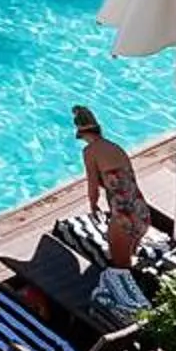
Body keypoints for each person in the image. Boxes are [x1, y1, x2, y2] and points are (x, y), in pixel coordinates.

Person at [72, 106, 153, 266]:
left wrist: (93, 205)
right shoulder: (116, 147)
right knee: (130, 265)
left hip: (123, 216)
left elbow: (93, 185)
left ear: (83, 134)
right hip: (141, 212)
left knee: (121, 269)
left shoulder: (90, 151)